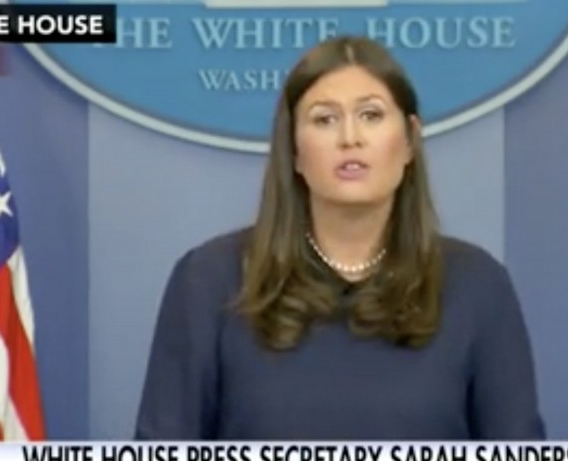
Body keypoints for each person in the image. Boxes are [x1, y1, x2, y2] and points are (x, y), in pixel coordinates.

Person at [134, 36, 545, 440]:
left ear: (409, 140)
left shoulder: (477, 285)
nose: (350, 137)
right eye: (324, 119)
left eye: (371, 115)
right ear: (294, 150)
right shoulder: (209, 280)